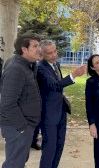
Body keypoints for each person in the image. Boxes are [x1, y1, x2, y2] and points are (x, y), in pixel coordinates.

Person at [37, 40, 86, 168]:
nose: (54, 55)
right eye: (49, 53)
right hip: (48, 115)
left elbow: (59, 88)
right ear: (42, 54)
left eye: (55, 51)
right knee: (49, 149)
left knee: (59, 146)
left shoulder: (56, 64)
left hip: (61, 113)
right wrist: (74, 75)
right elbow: (54, 85)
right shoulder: (40, 68)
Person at [0, 32, 41, 168]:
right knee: (14, 164)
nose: (39, 49)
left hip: (22, 126)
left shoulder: (26, 65)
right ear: (24, 49)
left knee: (18, 162)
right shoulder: (15, 68)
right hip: (17, 127)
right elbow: (7, 104)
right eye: (35, 46)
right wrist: (23, 128)